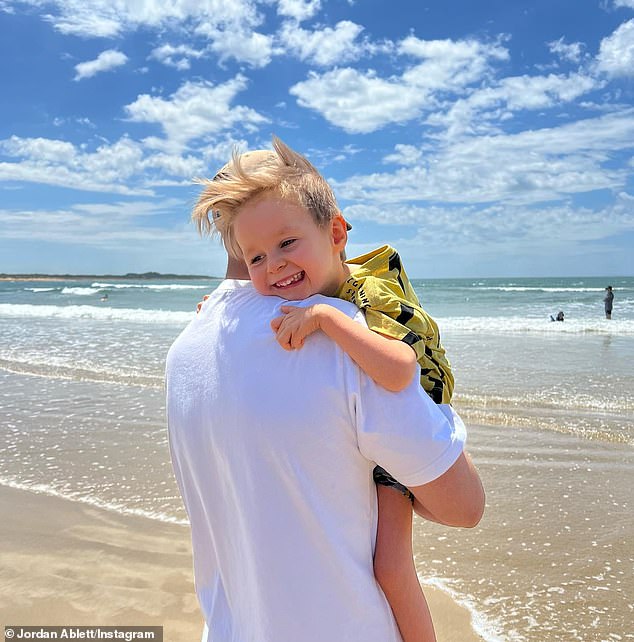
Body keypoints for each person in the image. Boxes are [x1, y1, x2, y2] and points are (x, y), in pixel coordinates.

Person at [183, 138, 476, 641]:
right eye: (255, 257)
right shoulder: (304, 304)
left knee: (393, 567)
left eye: (286, 244)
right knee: (392, 568)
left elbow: (401, 367)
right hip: (395, 448)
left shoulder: (344, 314)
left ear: (337, 232)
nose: (273, 266)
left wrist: (321, 317)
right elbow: (464, 509)